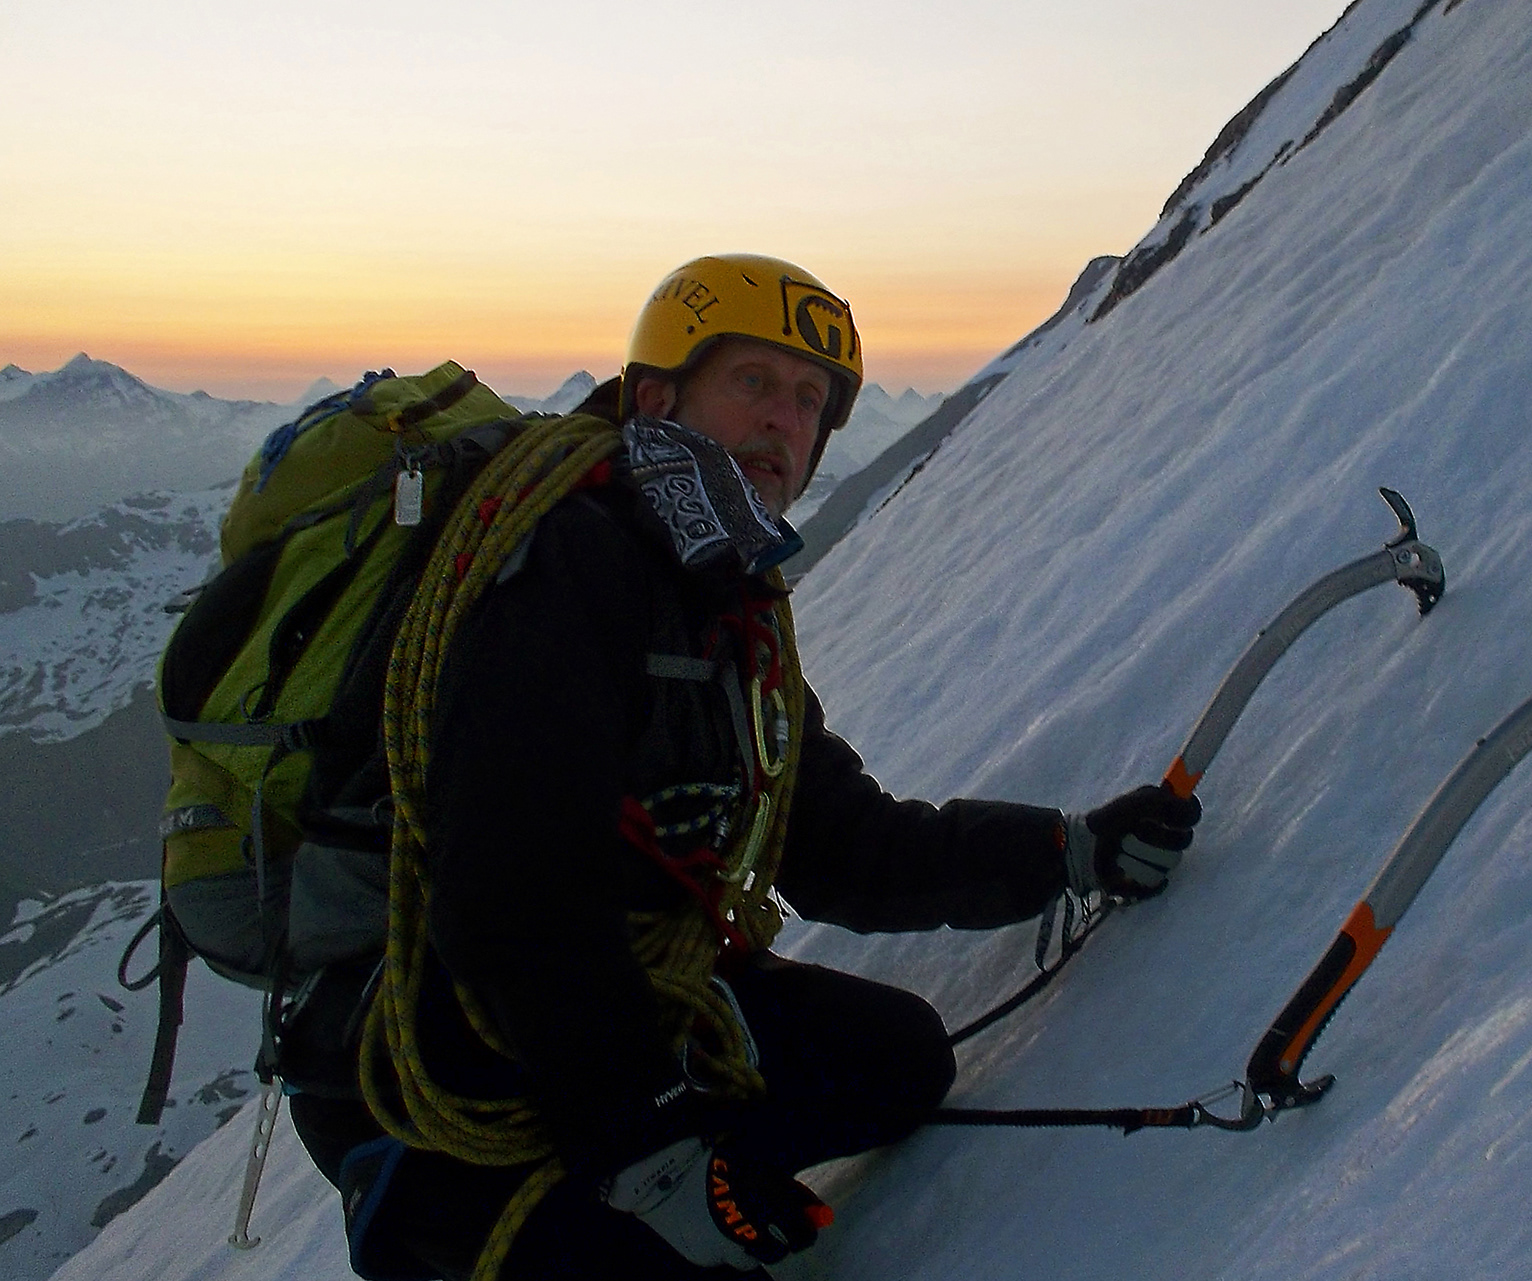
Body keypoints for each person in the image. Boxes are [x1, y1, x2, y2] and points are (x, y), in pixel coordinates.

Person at [281, 253, 1201, 1280]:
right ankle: (468, 1226)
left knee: (893, 1060)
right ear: (655, 397)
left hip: (595, 1002)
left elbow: (840, 843)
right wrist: (660, 1153)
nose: (785, 421)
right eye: (754, 382)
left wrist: (1064, 852)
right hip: (424, 1040)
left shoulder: (721, 600)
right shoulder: (563, 561)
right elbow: (511, 899)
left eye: (811, 401)